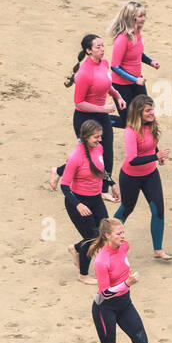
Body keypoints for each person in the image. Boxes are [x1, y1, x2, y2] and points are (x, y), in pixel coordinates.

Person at [54, 34, 126, 198]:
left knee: (107, 155)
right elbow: (78, 102)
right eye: (98, 47)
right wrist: (104, 109)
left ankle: (103, 191)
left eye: (102, 46)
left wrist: (118, 96)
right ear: (88, 51)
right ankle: (60, 172)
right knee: (88, 156)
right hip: (85, 120)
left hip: (101, 117)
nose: (102, 49)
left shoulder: (104, 63)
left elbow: (107, 85)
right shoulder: (85, 73)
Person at [86, 218, 148, 343]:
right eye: (118, 233)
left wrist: (125, 279)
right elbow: (104, 293)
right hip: (105, 308)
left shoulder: (124, 246)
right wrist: (127, 283)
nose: (123, 236)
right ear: (107, 236)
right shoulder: (101, 261)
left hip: (124, 304)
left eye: (123, 232)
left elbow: (122, 264)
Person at [114, 94, 172, 260]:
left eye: (151, 109)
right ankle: (106, 237)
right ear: (138, 112)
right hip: (130, 177)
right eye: (147, 110)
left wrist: (157, 155)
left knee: (158, 210)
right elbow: (132, 160)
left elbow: (151, 143)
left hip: (150, 174)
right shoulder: (130, 132)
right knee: (127, 209)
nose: (151, 112)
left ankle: (158, 249)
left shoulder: (151, 125)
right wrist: (156, 156)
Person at [61, 120, 113, 283]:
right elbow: (64, 186)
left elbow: (101, 170)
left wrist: (112, 184)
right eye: (96, 137)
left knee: (105, 233)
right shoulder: (75, 156)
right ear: (85, 137)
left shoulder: (99, 148)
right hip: (78, 202)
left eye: (100, 136)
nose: (99, 140)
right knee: (92, 237)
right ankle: (83, 274)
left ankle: (76, 248)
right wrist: (78, 204)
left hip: (96, 199)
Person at [107, 1, 160, 124]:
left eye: (144, 15)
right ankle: (101, 120)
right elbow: (115, 66)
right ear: (131, 17)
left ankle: (151, 144)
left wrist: (151, 62)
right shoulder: (122, 39)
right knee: (129, 122)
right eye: (140, 16)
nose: (144, 19)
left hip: (137, 82)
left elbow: (136, 53)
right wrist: (135, 79)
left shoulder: (137, 33)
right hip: (121, 85)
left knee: (146, 115)